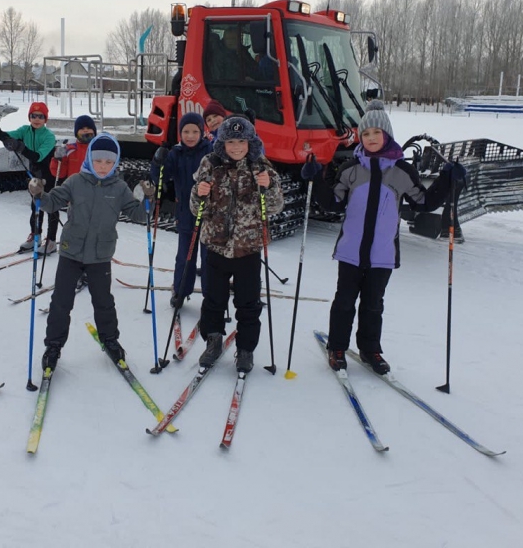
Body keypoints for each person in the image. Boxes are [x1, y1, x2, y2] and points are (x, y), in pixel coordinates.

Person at [301, 99, 466, 375]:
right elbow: (332, 203)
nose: (371, 138)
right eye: (366, 134)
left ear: (387, 135)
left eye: (376, 133)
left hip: (383, 254)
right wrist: (316, 179)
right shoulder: (351, 170)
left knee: (373, 304)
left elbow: (423, 202)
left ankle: (370, 349)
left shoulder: (402, 172)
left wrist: (447, 181)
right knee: (344, 302)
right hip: (351, 251)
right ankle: (337, 348)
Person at [27, 133, 153, 371]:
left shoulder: (119, 187)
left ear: (115, 163)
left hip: (100, 255)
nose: (103, 166)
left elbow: (137, 214)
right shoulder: (75, 181)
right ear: (89, 160)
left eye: (108, 162)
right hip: (71, 252)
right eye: (98, 161)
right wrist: (39, 194)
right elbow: (52, 203)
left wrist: (148, 200)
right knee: (61, 302)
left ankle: (110, 340)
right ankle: (53, 346)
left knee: (104, 302)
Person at [190, 115, 283, 374]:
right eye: (230, 141)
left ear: (249, 141)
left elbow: (275, 207)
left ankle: (245, 350)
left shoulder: (260, 165)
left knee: (248, 303)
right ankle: (213, 341)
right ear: (222, 142)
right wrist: (198, 194)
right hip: (216, 245)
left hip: (248, 248)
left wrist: (270, 186)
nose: (236, 147)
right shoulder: (210, 164)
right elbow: (194, 207)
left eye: (241, 140)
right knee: (213, 300)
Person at [150, 112, 213, 308]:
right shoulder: (176, 154)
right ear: (180, 133)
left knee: (209, 259)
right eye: (186, 131)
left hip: (210, 216)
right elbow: (161, 178)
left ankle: (211, 297)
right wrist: (158, 163)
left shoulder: (210, 151)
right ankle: (180, 291)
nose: (191, 136)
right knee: (185, 256)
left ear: (202, 132)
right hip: (186, 213)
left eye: (195, 131)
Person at [0, 101, 56, 251]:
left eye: (40, 116)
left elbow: (38, 157)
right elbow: (8, 138)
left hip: (49, 174)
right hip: (34, 174)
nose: (37, 119)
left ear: (45, 119)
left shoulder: (49, 136)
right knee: (35, 206)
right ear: (29, 117)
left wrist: (20, 147)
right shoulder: (25, 130)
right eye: (33, 116)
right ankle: (35, 235)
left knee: (50, 207)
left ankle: (51, 240)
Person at [43, 114, 96, 255]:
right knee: (76, 229)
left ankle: (91, 259)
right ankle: (75, 258)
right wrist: (57, 158)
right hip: (76, 197)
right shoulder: (70, 148)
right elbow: (58, 173)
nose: (86, 131)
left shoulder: (98, 147)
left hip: (96, 196)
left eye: (89, 128)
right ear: (76, 132)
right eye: (82, 129)